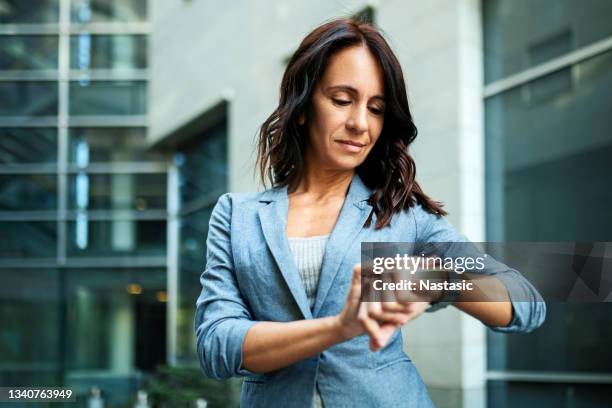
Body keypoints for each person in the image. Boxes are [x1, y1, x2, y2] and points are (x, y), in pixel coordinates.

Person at [195, 18, 546, 407]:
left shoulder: (401, 215)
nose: (360, 123)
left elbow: (527, 303)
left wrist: (431, 279)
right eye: (342, 100)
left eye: (376, 108)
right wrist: (338, 328)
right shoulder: (237, 215)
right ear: (302, 107)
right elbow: (216, 344)